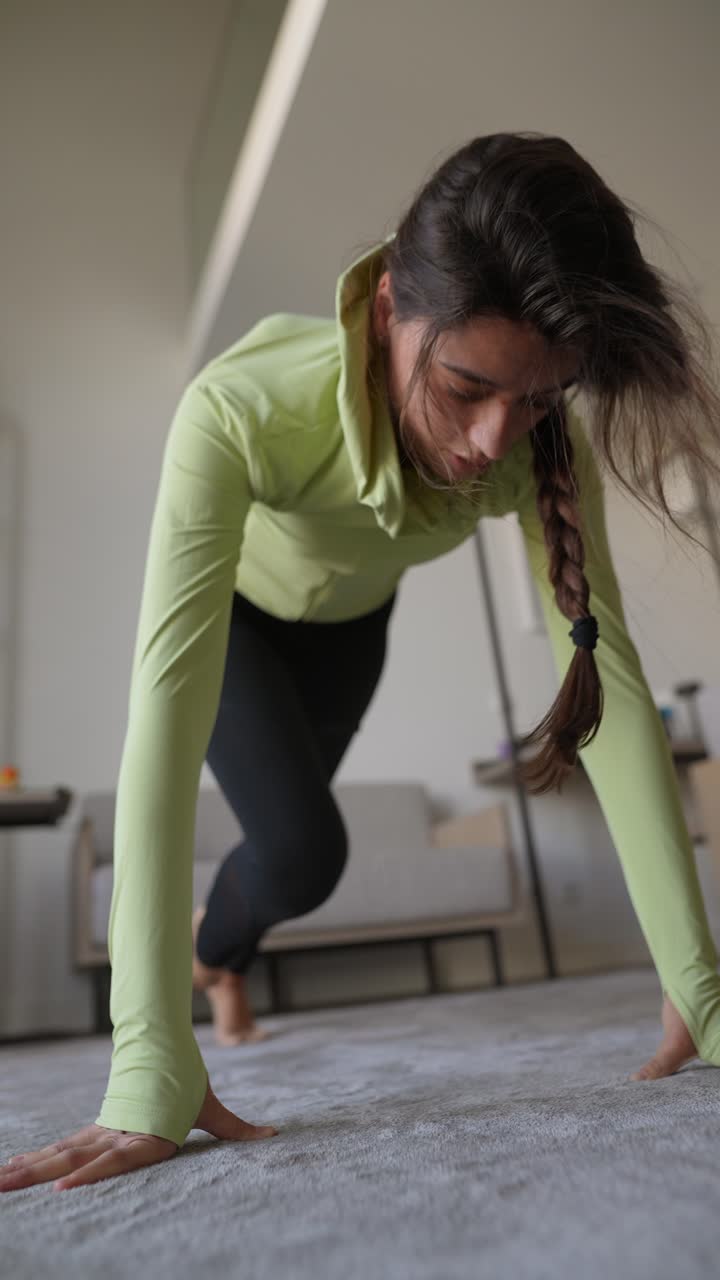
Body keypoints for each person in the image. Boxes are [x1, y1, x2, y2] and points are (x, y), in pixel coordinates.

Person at [2, 130, 720, 1195]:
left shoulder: (531, 445)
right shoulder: (238, 411)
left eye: (531, 399)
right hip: (241, 621)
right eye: (467, 385)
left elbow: (601, 673)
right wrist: (148, 1054)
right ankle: (208, 968)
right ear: (390, 310)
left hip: (353, 628)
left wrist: (695, 976)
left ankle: (221, 951)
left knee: (305, 860)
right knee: (302, 846)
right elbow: (163, 708)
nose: (490, 440)